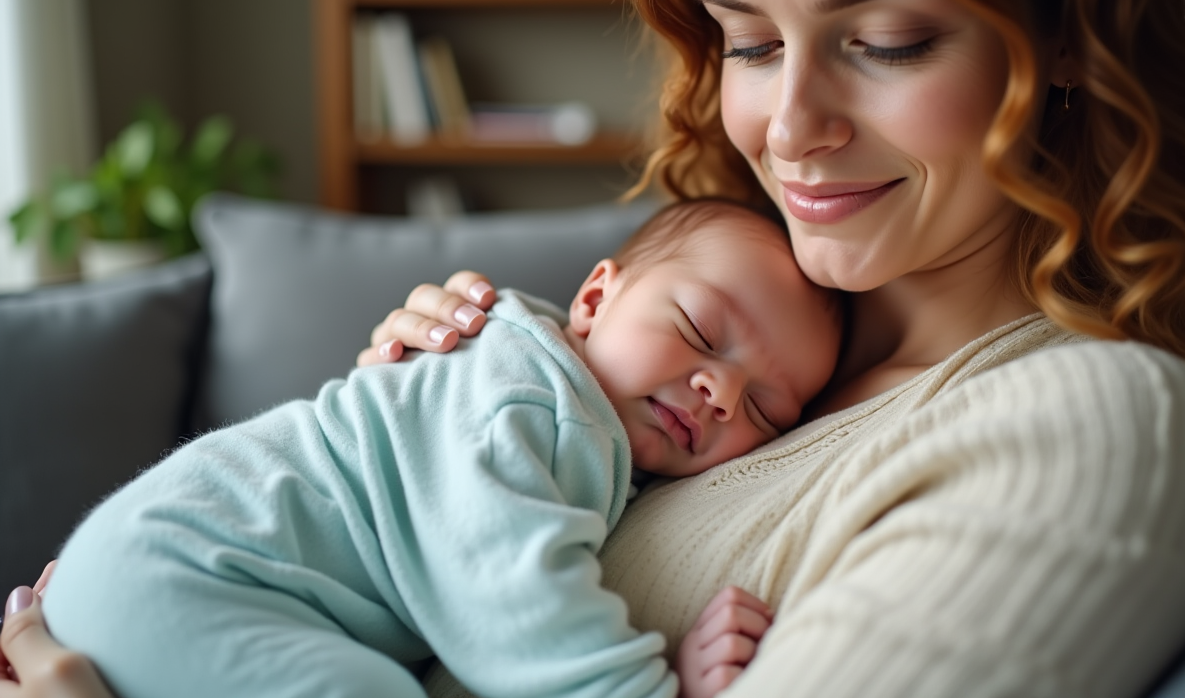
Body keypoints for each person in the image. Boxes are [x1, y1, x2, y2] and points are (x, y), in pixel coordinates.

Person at [6, 0, 1185, 695]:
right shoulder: (675, 361)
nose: (789, 128)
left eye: (885, 39)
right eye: (750, 42)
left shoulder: (1092, 422)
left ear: (1068, 52)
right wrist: (410, 423)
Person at [30, 199, 842, 698]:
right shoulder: (530, 396)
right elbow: (511, 591)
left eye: (766, 411)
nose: (723, 394)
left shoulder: (587, 433)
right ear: (595, 297)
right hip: (191, 571)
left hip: (155, 572)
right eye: (700, 331)